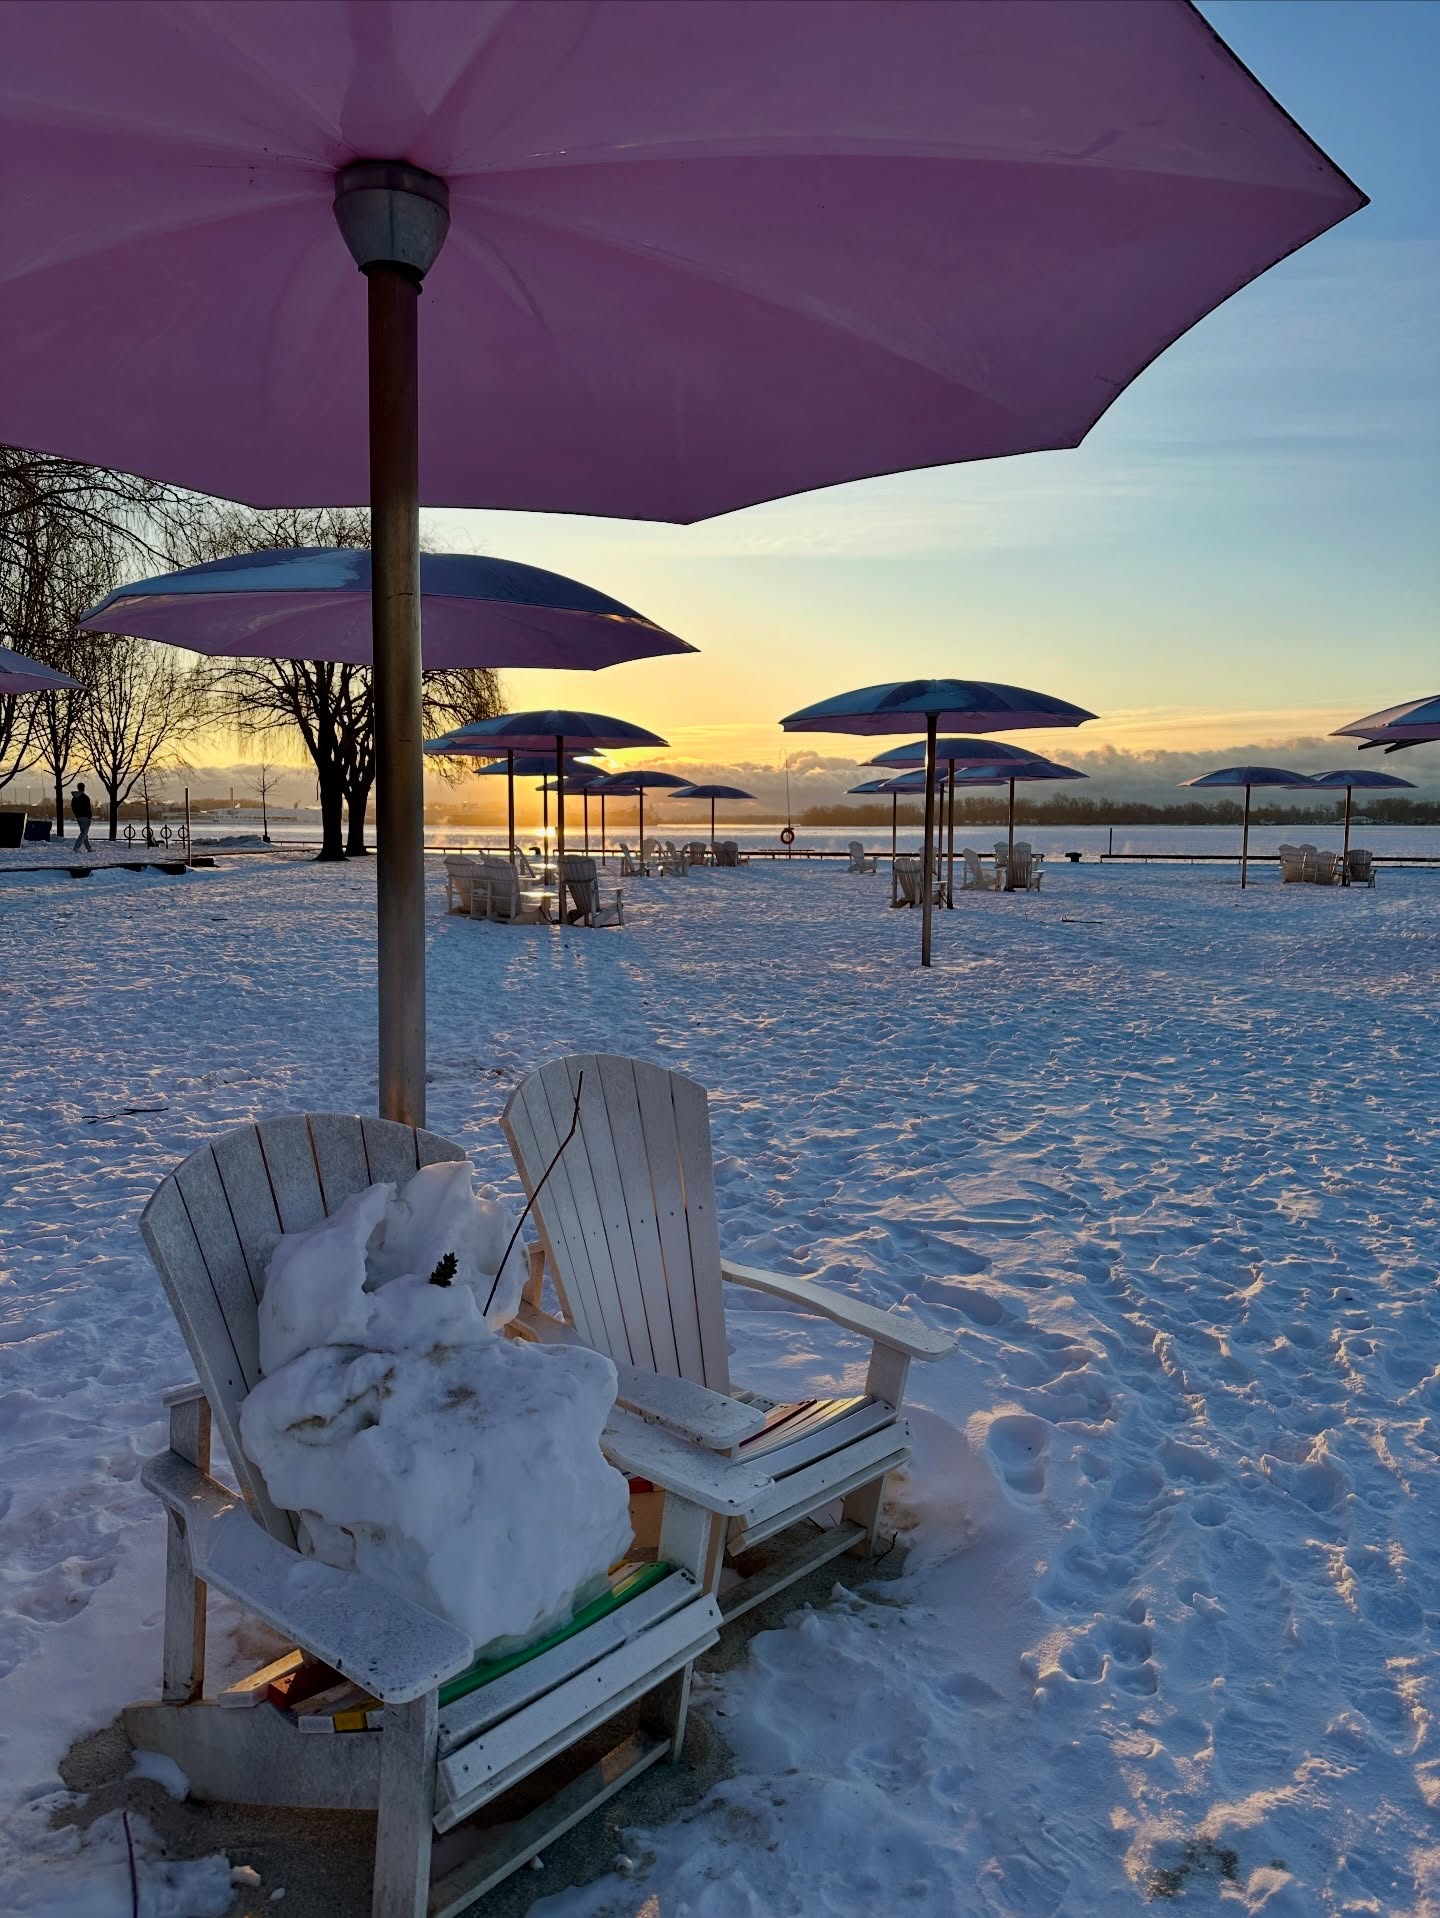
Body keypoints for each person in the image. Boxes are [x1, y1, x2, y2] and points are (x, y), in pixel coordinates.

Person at [70, 781, 94, 852]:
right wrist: (89, 816)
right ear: (84, 788)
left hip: (79, 817)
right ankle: (76, 847)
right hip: (86, 817)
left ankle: (88, 848)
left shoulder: (74, 798)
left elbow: (73, 808)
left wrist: (77, 815)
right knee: (84, 833)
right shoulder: (85, 797)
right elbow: (88, 808)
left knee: (84, 833)